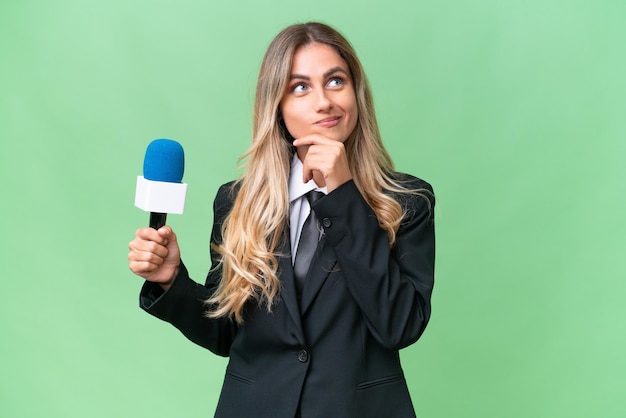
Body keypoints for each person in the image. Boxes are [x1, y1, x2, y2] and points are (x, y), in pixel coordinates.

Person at [128, 21, 435, 418]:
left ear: (357, 94)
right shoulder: (237, 202)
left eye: (336, 81)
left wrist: (342, 196)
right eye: (300, 87)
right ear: (277, 106)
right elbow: (226, 333)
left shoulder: (407, 201)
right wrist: (172, 281)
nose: (323, 102)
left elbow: (401, 325)